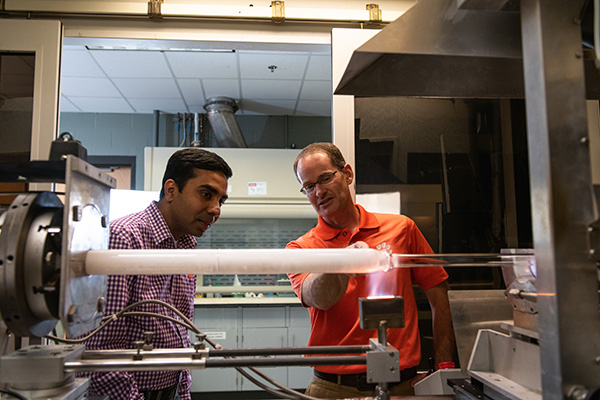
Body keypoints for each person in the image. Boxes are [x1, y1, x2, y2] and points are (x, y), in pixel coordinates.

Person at [286, 142, 456, 398]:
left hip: (402, 385)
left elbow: (439, 296)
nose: (319, 192)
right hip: (333, 388)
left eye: (325, 179)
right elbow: (317, 298)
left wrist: (444, 368)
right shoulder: (301, 247)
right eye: (309, 186)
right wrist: (343, 262)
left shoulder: (402, 229)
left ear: (348, 174)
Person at [81, 148, 232, 400]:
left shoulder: (185, 245)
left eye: (221, 201)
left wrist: (182, 392)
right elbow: (102, 346)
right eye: (206, 195)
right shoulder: (125, 238)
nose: (216, 209)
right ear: (171, 190)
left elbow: (179, 334)